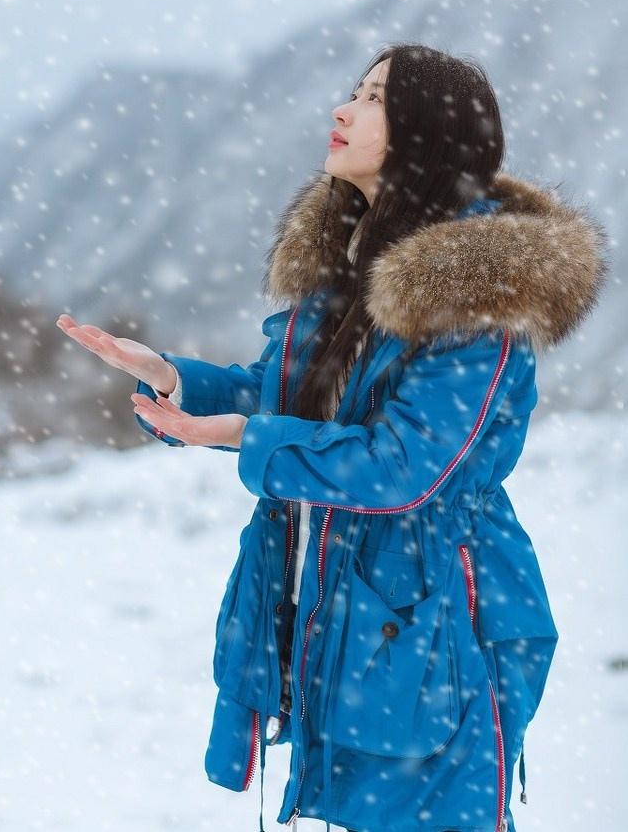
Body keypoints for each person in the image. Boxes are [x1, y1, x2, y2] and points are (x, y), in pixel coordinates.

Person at [56, 43, 610, 832]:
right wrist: (177, 380)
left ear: (429, 131)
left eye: (375, 97)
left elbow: (404, 466)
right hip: (355, 615)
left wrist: (249, 436)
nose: (342, 109)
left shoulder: (478, 297)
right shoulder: (354, 265)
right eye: (355, 90)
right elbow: (297, 403)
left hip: (437, 628)